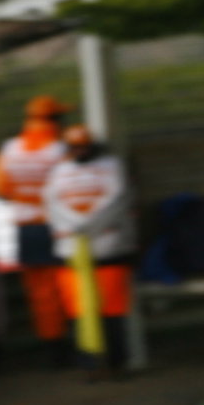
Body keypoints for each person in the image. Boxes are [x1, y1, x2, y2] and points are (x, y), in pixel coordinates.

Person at [0, 94, 73, 364]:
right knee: (69, 287)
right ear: (55, 120)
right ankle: (81, 345)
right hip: (58, 227)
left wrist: (23, 196)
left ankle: (52, 350)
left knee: (40, 294)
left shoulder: (10, 149)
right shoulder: (61, 150)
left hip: (26, 230)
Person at [43, 125, 138, 378]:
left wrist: (89, 226)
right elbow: (52, 204)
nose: (79, 150)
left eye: (83, 145)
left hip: (110, 250)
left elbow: (120, 199)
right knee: (79, 311)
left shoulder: (113, 166)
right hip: (71, 252)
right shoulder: (58, 171)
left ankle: (117, 364)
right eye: (74, 146)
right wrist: (76, 226)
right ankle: (89, 366)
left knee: (112, 311)